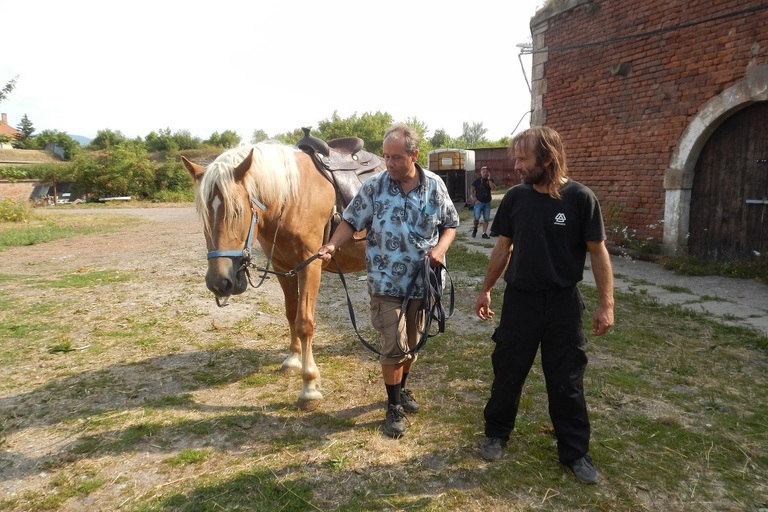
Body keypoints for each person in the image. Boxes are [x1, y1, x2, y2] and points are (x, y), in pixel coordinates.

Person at [474, 126, 614, 484]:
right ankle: (496, 432)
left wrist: (606, 304)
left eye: (523, 158)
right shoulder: (516, 199)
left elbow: (598, 253)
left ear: (548, 158)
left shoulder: (581, 199)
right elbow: (503, 247)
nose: (517, 166)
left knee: (567, 379)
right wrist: (486, 288)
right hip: (520, 301)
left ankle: (575, 452)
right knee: (508, 369)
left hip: (563, 304)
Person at [318, 123, 459, 438]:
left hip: (425, 281)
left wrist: (440, 248)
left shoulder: (435, 186)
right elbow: (351, 220)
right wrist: (331, 244)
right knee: (393, 345)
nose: (390, 163)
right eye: (386, 156)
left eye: (396, 157)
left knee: (412, 343)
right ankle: (393, 406)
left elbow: (450, 223)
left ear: (414, 155)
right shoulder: (375, 187)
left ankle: (402, 388)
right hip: (386, 282)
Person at [470, 166, 496, 239]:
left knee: (486, 218)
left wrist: (489, 179)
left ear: (488, 173)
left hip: (487, 202)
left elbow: (493, 188)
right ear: (481, 173)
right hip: (479, 202)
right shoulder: (477, 181)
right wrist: (475, 200)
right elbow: (471, 191)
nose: (485, 173)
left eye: (486, 172)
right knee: (476, 217)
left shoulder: (490, 180)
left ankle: (484, 233)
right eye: (483, 172)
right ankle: (475, 229)